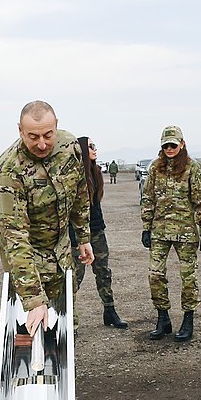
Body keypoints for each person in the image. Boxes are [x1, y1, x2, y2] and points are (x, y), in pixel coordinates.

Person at [0, 100, 98, 400]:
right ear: (20, 131)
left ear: (56, 128)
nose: (41, 143)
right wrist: (34, 299)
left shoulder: (69, 147)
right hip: (27, 260)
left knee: (65, 329)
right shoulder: (9, 170)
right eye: (33, 136)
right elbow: (15, 238)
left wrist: (83, 237)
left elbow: (81, 192)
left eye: (47, 135)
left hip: (61, 252)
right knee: (26, 332)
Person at [140, 126, 201, 342]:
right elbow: (148, 199)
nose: (169, 149)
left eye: (173, 144)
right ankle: (163, 318)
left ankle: (188, 320)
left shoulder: (192, 168)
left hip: (186, 233)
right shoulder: (155, 168)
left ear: (182, 144)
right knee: (155, 275)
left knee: (188, 278)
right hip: (159, 231)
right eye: (166, 145)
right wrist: (146, 228)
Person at [70, 137, 128, 329]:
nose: (95, 149)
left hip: (97, 231)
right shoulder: (74, 175)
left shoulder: (95, 172)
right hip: (78, 236)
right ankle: (70, 323)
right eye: (91, 147)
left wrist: (99, 226)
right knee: (74, 278)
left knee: (103, 271)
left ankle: (109, 311)